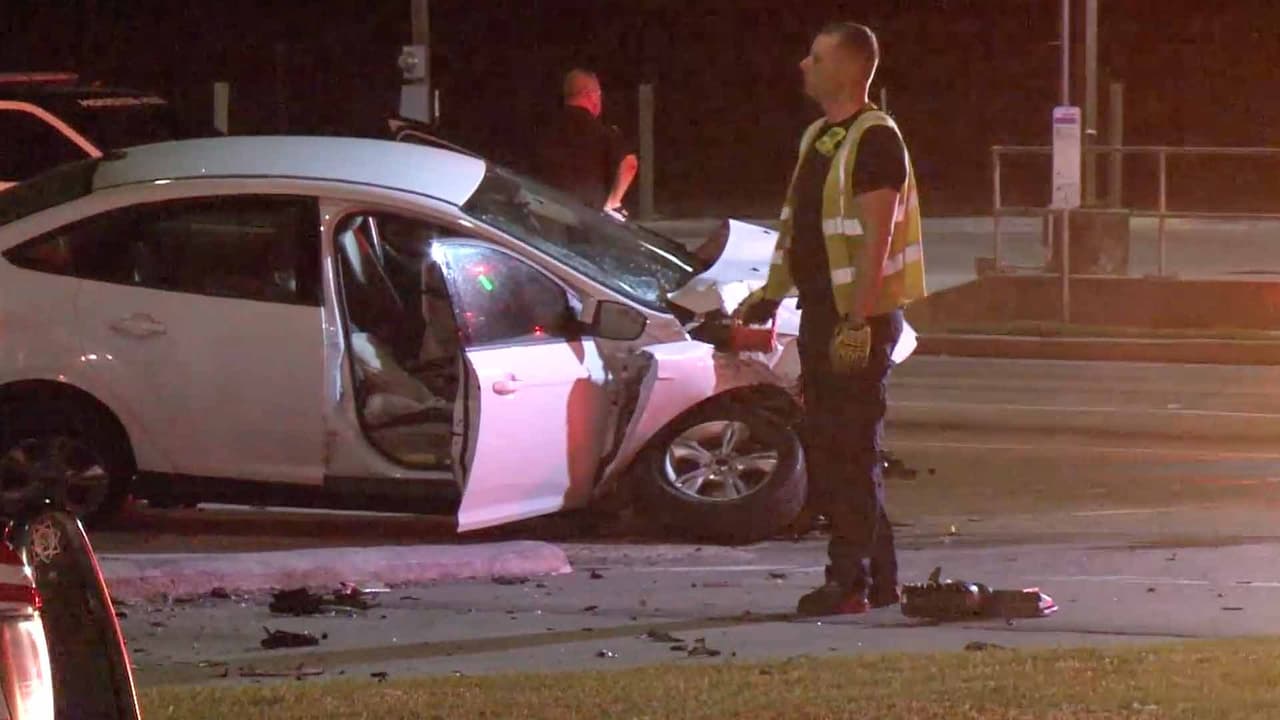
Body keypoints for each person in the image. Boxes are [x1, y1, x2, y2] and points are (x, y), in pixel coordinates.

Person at [737, 22, 926, 616]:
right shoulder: (820, 136)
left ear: (846, 70)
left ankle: (849, 583)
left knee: (846, 452)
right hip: (824, 313)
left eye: (815, 57)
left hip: (856, 322)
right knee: (841, 449)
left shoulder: (875, 138)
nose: (803, 64)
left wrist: (858, 322)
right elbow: (800, 228)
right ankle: (880, 578)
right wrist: (770, 295)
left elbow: (877, 237)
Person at [534, 69, 638, 213]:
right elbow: (630, 164)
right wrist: (612, 203)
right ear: (590, 95)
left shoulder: (543, 130)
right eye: (599, 94)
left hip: (548, 213)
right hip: (588, 219)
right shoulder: (602, 132)